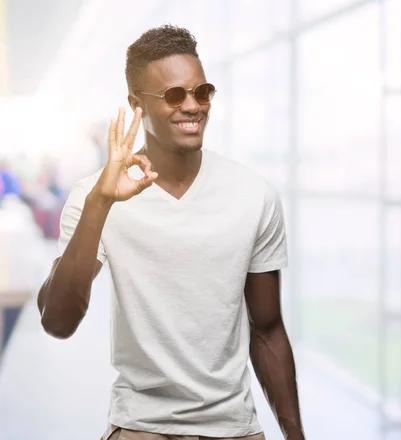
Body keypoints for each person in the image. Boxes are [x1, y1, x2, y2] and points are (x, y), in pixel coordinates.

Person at [37, 25, 304, 440]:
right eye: (174, 95)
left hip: (233, 428)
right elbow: (58, 320)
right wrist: (100, 204)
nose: (193, 106)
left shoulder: (254, 195)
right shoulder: (93, 196)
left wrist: (296, 436)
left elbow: (268, 329)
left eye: (202, 92)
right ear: (135, 104)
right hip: (141, 427)